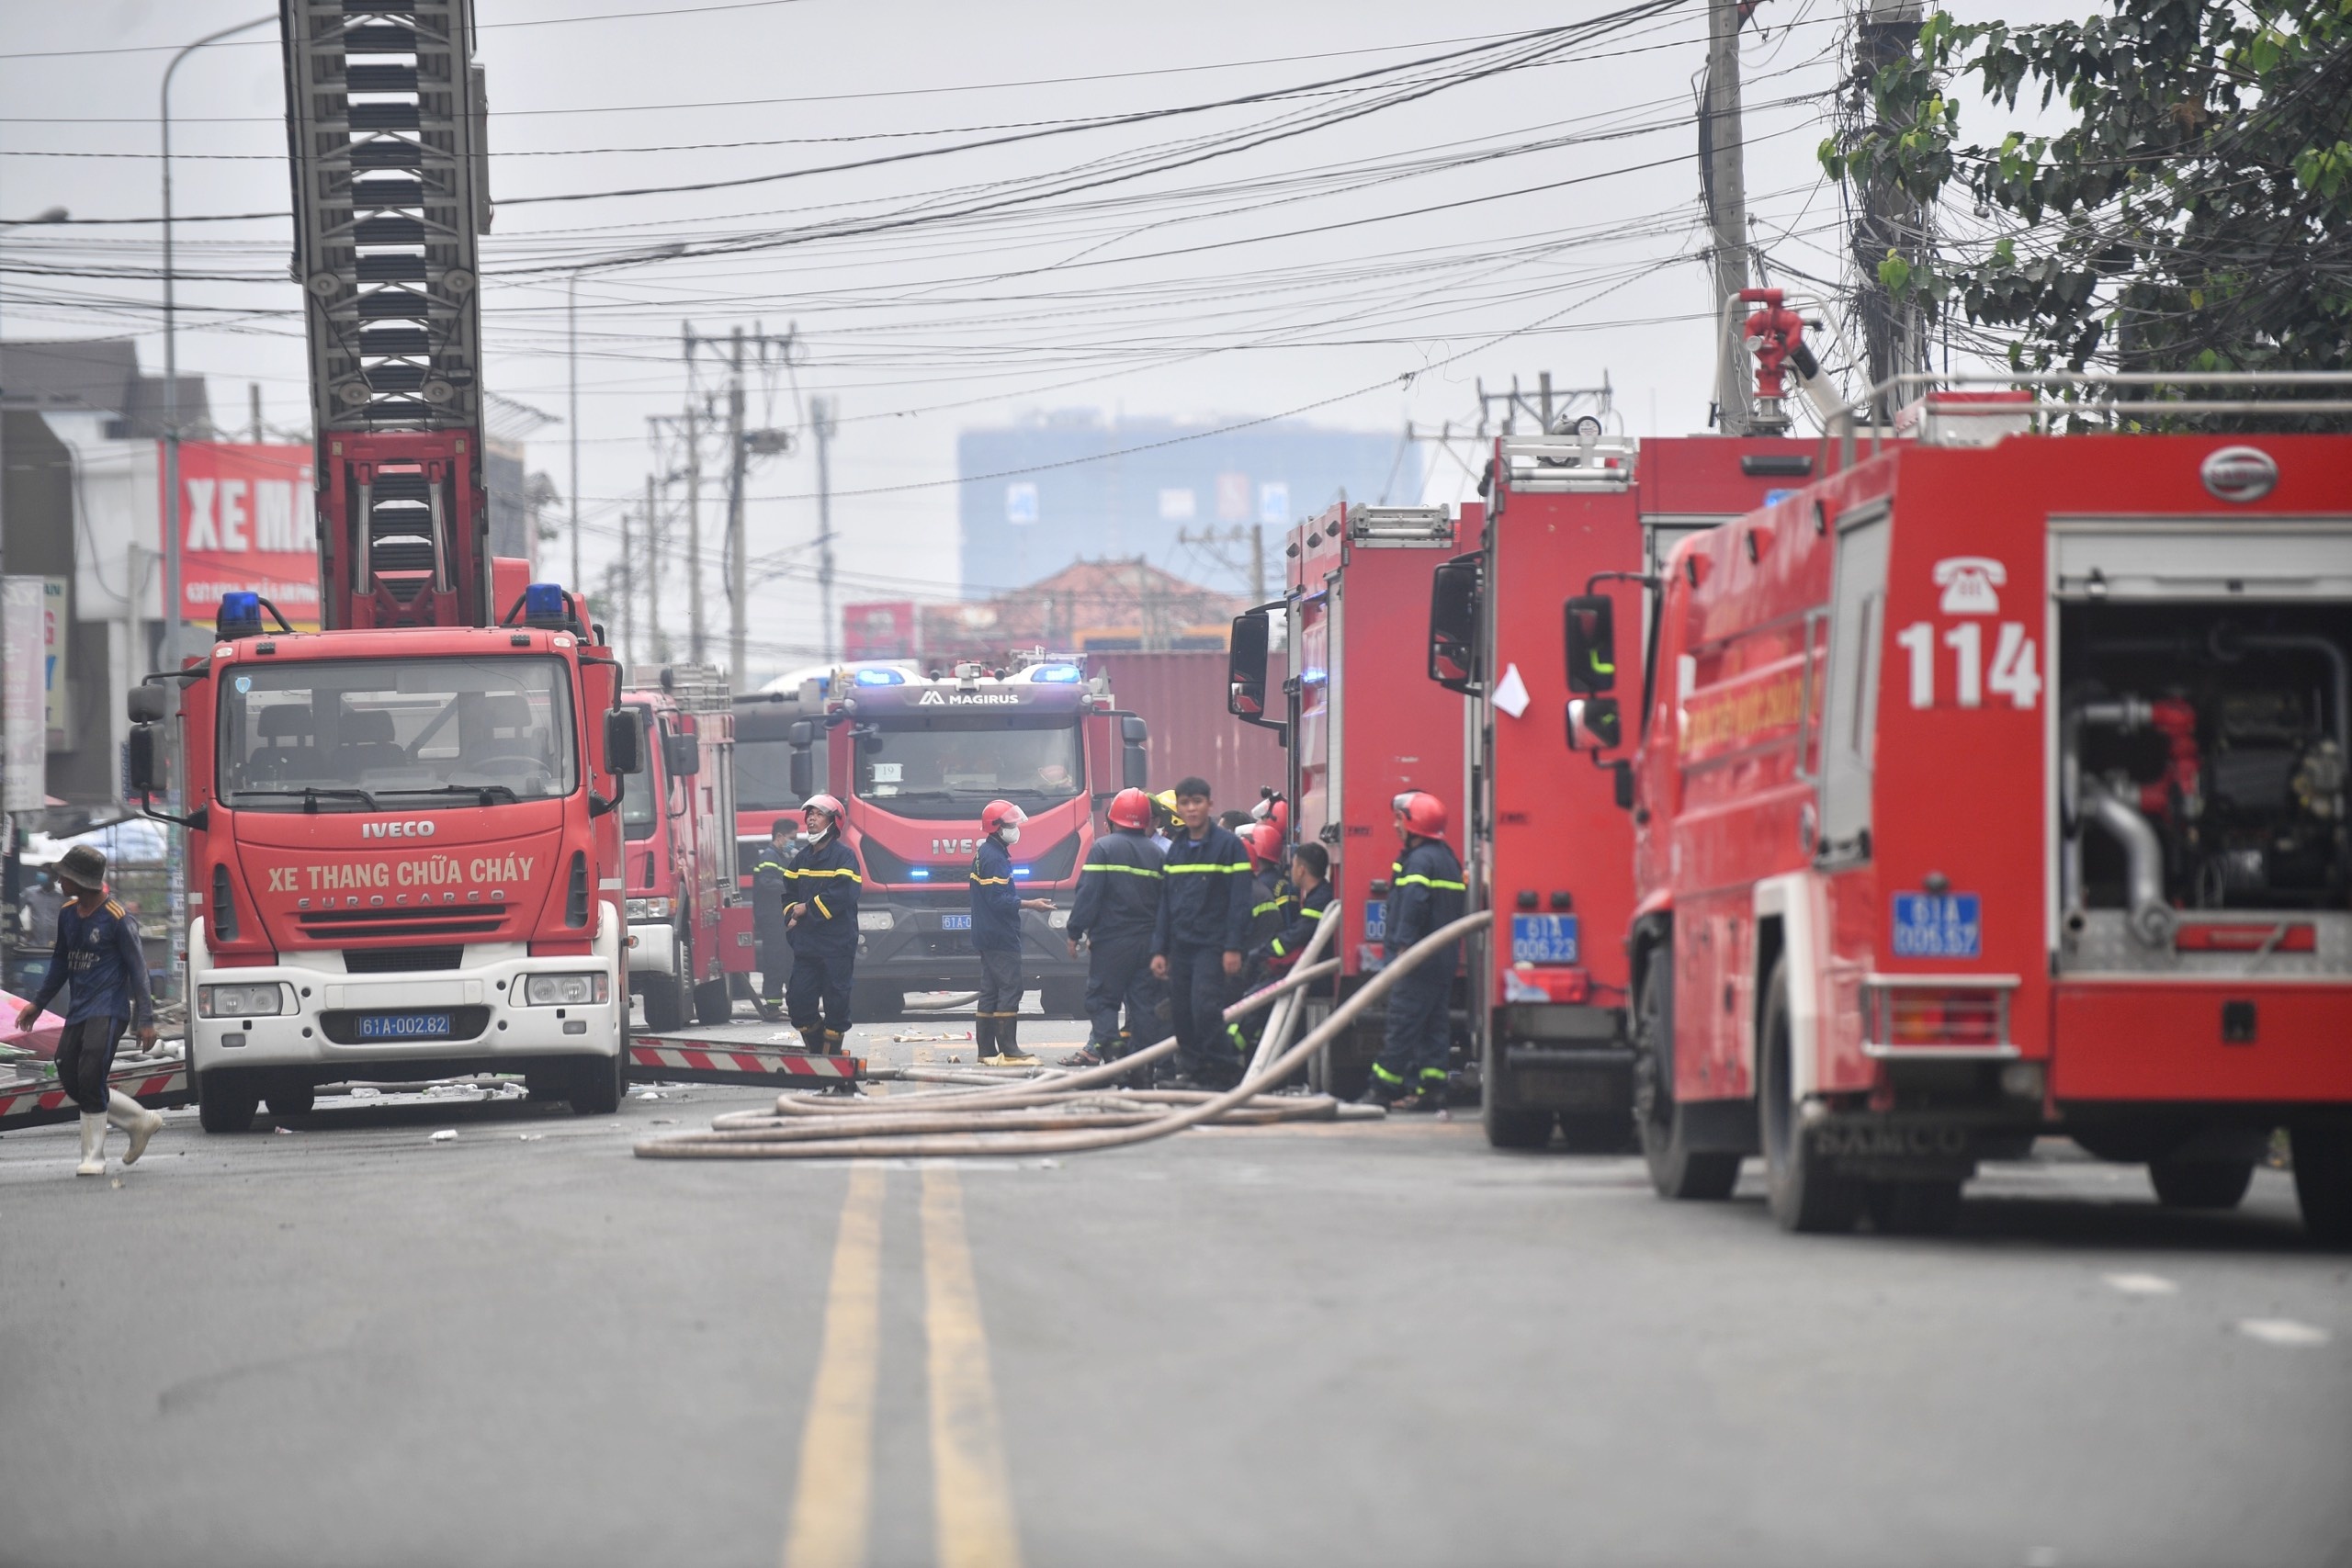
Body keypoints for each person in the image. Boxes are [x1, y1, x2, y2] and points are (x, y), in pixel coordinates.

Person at [14, 845, 163, 1176]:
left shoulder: (119, 919)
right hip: (80, 1009)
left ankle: (93, 1157)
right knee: (69, 1074)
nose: (59, 880)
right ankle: (139, 1120)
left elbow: (139, 972)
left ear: (81, 881)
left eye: (65, 876)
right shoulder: (67, 914)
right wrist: (38, 1004)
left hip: (109, 1009)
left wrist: (146, 1021)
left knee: (91, 1073)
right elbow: (59, 964)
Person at [1362, 791, 1465, 1112]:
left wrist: (1403, 945)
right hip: (1442, 960)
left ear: (1413, 824)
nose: (1395, 826)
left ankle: (1382, 1089)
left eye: (1399, 819)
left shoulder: (1419, 861)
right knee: (1435, 1026)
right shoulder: (1447, 858)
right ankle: (1432, 1088)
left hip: (1417, 960)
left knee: (1402, 1024)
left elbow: (1413, 905)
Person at [1149, 776, 1255, 1089]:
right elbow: (1166, 904)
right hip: (1181, 947)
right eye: (1185, 803)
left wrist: (1233, 947)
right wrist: (1159, 949)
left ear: (1209, 804)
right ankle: (1194, 1073)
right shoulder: (1177, 849)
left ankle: (1222, 1073)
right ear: (1179, 808)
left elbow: (1240, 901)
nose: (1191, 808)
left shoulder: (1228, 846)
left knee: (1205, 1009)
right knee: (1181, 1013)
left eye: (1197, 802)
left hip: (1214, 946)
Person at [1062, 786, 1165, 1069]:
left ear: (1112, 820)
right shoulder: (1157, 854)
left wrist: (1074, 932)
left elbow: (1088, 895)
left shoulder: (1103, 849)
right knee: (1143, 1007)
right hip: (1148, 943)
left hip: (1111, 943)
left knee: (1103, 1002)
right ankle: (1142, 1072)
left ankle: (1115, 1059)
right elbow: (1166, 902)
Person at [971, 799, 1055, 1066]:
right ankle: (1008, 1047)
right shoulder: (994, 858)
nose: (1016, 828)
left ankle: (986, 1050)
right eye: (1011, 824)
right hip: (999, 934)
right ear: (996, 827)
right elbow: (998, 900)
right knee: (1010, 987)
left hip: (987, 932)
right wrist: (1032, 904)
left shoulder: (987, 852)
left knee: (990, 990)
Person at [783, 795, 863, 1055]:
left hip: (836, 946)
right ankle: (821, 1059)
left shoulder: (845, 858)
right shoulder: (801, 859)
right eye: (809, 814)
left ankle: (829, 1060)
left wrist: (807, 908)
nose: (811, 819)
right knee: (798, 1003)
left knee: (836, 1007)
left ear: (833, 822)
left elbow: (843, 895)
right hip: (807, 946)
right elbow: (788, 894)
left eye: (818, 814)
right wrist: (791, 918)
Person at [751, 818, 796, 1023]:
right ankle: (772, 1007)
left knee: (788, 960)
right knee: (776, 961)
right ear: (780, 836)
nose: (793, 842)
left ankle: (791, 1004)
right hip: (772, 919)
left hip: (781, 918)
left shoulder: (780, 855)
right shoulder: (769, 857)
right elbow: (768, 883)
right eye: (791, 838)